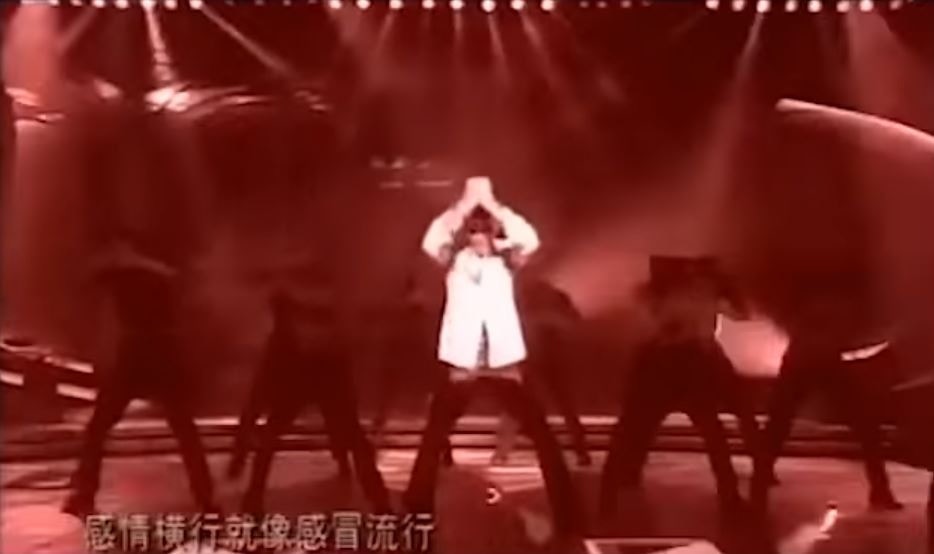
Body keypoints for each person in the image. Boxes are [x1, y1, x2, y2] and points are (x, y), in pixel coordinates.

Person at [403, 176, 579, 543]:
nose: (479, 235)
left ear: (494, 231)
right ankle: (417, 511)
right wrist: (464, 206)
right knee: (434, 437)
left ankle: (569, 511)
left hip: (503, 363)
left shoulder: (506, 261)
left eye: (484, 229)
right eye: (473, 229)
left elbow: (530, 238)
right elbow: (431, 240)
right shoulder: (454, 261)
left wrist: (495, 205)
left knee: (542, 435)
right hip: (463, 364)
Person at [62, 239, 216, 518]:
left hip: (137, 354)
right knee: (184, 430)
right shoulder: (158, 271)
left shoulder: (123, 270)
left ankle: (84, 493)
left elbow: (88, 278)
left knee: (98, 427)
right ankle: (205, 499)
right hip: (163, 353)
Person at [600, 256, 748, 517]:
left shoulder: (685, 291)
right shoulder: (694, 291)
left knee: (636, 429)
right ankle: (729, 496)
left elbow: (739, 314)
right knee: (706, 432)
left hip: (673, 362)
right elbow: (739, 314)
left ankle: (611, 491)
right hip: (676, 362)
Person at [751, 276, 902, 512]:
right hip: (810, 361)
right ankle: (880, 490)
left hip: (815, 360)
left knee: (780, 425)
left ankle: (759, 485)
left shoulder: (817, 297)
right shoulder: (824, 299)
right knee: (863, 426)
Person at [241, 289, 390, 514]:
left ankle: (254, 496)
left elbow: (260, 389)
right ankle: (378, 498)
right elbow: (341, 369)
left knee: (270, 439)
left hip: (297, 384)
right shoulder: (319, 332)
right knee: (355, 439)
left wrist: (244, 437)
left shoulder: (282, 339)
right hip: (326, 379)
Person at [227, 290, 351, 481]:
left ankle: (243, 469)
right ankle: (343, 460)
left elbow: (269, 372)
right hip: (297, 387)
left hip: (289, 389)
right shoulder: (296, 335)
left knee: (260, 427)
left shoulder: (283, 337)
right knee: (335, 421)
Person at [491, 278, 592, 468]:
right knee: (559, 406)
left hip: (541, 360)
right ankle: (581, 451)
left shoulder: (529, 299)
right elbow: (574, 321)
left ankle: (502, 452)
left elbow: (573, 321)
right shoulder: (546, 299)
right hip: (540, 360)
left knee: (520, 405)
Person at [370, 275, 455, 466]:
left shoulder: (399, 315)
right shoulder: (419, 314)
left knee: (386, 407)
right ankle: (444, 450)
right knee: (433, 410)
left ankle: (374, 445)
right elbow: (428, 339)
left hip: (402, 362)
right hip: (417, 362)